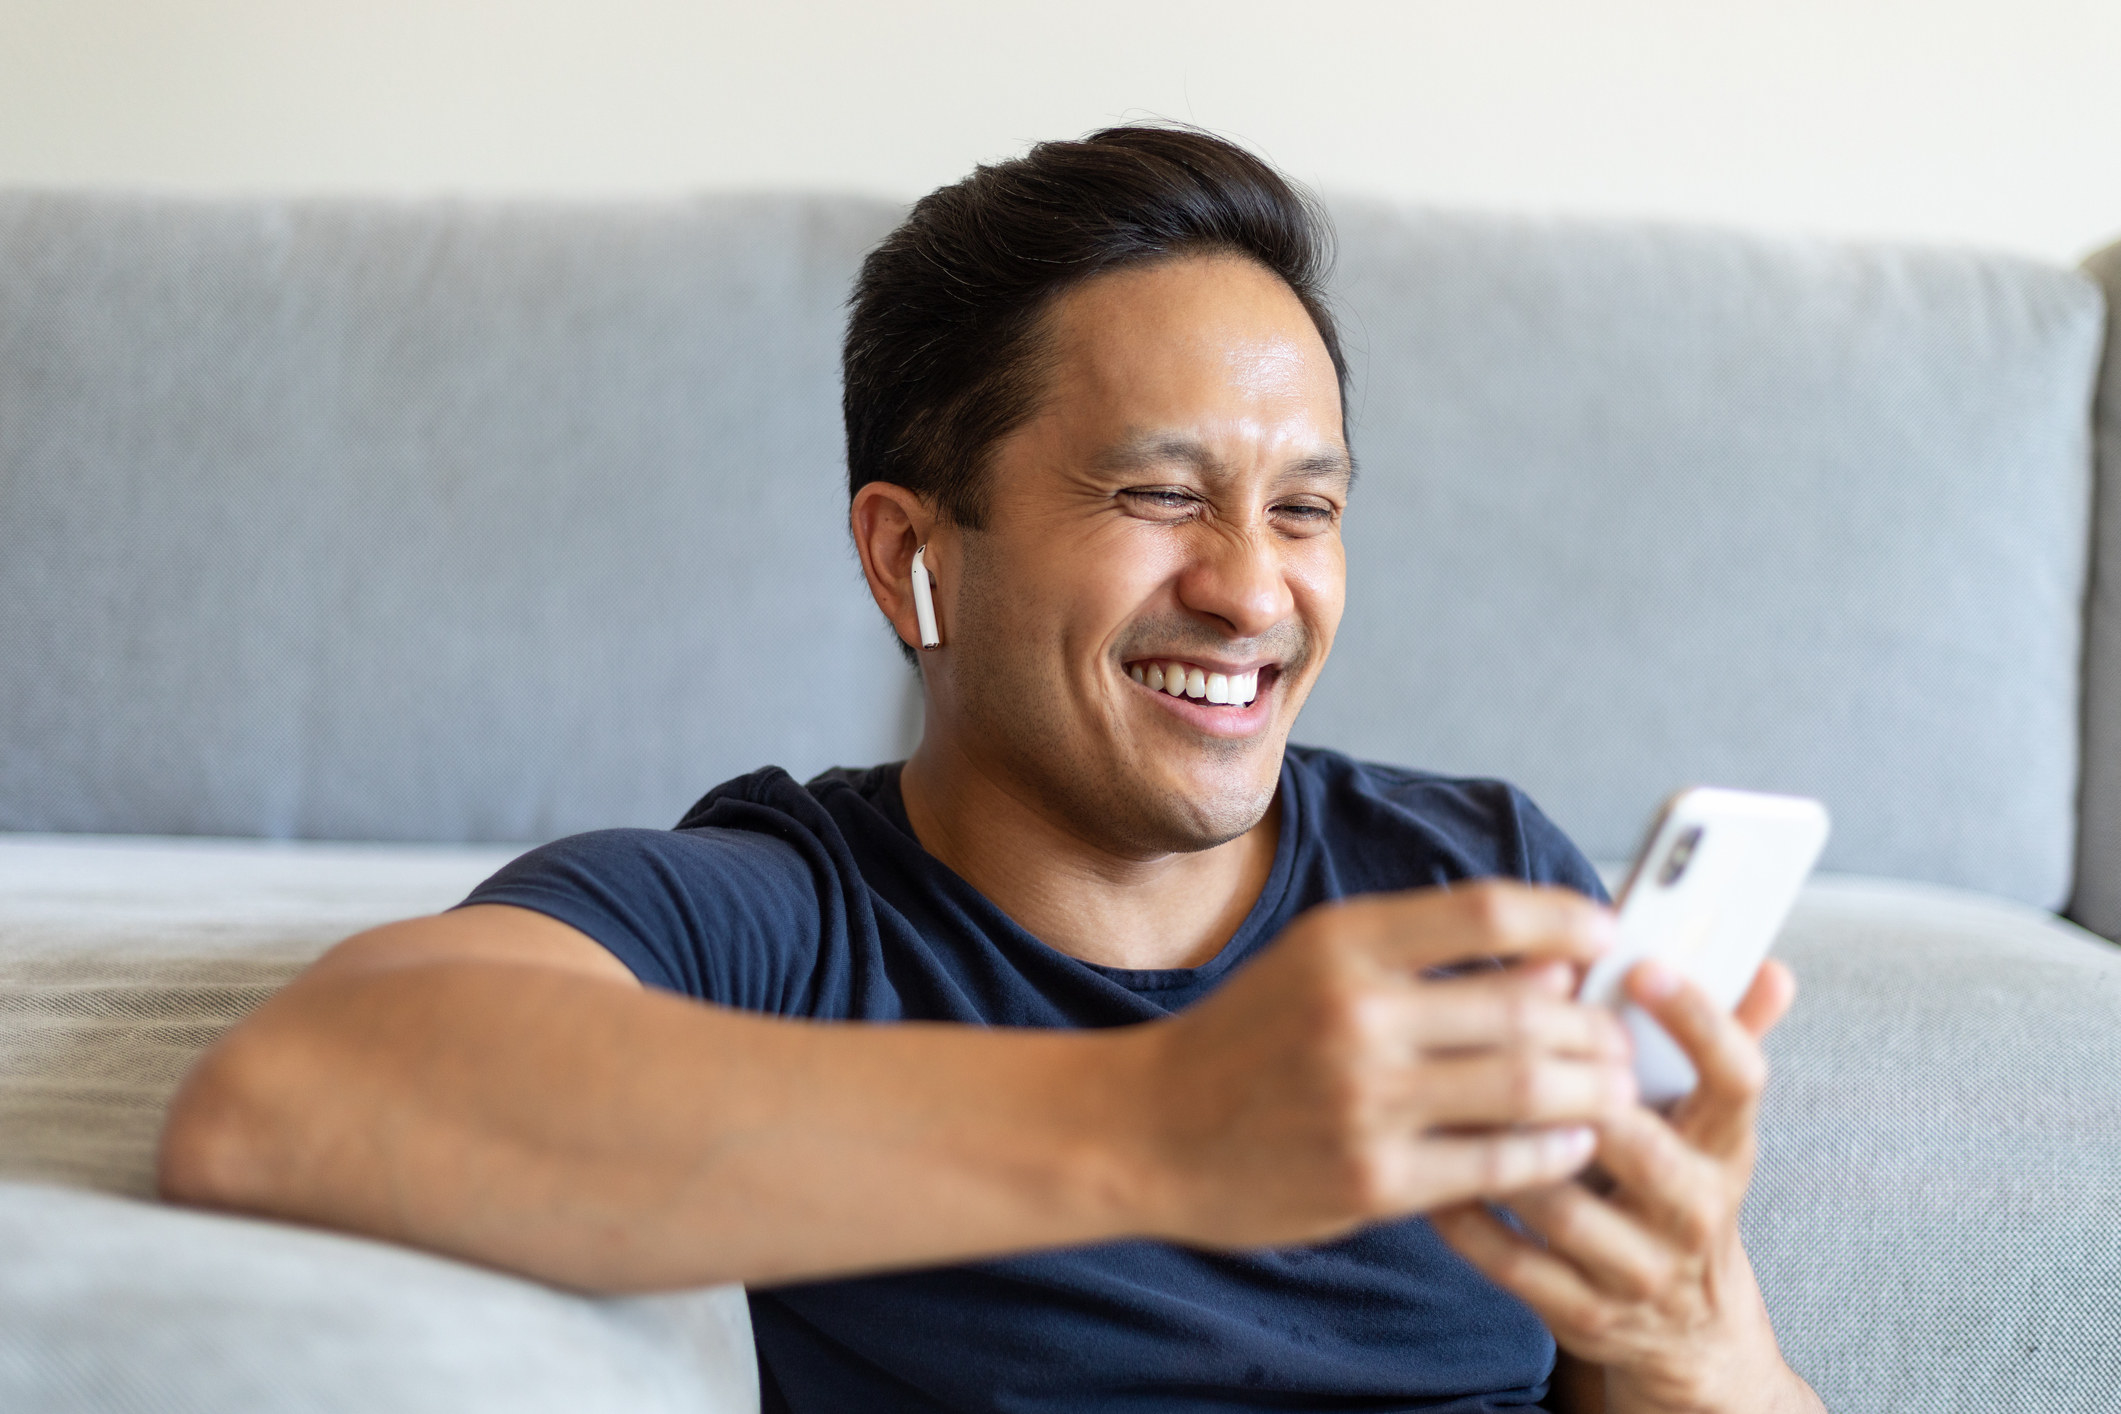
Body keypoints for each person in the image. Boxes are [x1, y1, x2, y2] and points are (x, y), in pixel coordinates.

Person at [159, 125, 1823, 1414]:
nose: (1254, 588)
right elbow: (288, 1101)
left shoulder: (1475, 876)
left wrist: (1685, 1329)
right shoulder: (779, 921)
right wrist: (1169, 1118)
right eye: (1160, 496)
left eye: (1305, 507)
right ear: (909, 558)